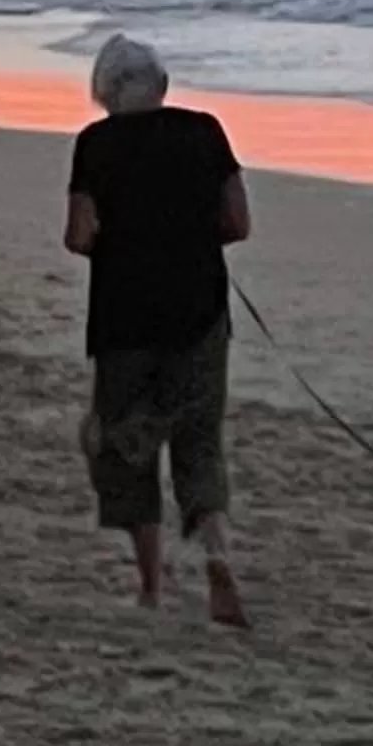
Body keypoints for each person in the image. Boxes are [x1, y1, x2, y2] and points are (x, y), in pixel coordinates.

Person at [65, 34, 253, 626]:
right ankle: (217, 554)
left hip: (124, 319)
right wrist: (191, 241)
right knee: (199, 444)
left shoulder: (95, 144)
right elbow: (238, 222)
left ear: (106, 91)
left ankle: (150, 586)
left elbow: (78, 235)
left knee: (126, 445)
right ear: (161, 84)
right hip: (198, 311)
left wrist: (120, 241)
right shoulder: (204, 131)